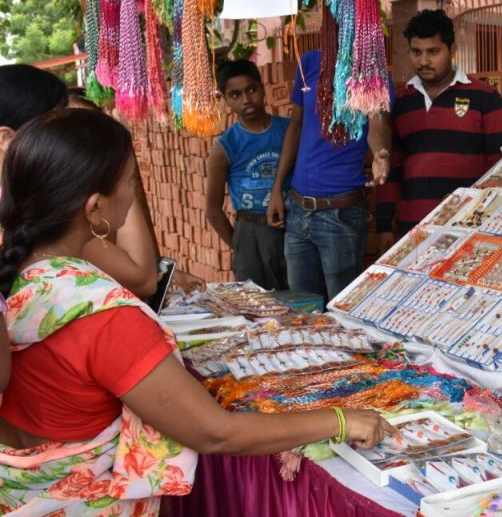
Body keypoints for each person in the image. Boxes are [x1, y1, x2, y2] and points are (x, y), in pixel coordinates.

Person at [0, 109, 392, 514]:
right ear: (96, 207)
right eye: (129, 181)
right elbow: (216, 433)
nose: (133, 194)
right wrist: (342, 420)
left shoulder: (25, 273)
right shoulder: (103, 316)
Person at [0, 65, 159, 300]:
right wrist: (112, 171)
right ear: (6, 138)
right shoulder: (40, 206)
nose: (69, 134)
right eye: (55, 125)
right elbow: (142, 277)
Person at [376, 9, 502, 248]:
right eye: (416, 52)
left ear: (452, 50)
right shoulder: (401, 101)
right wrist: (384, 225)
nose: (423, 61)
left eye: (433, 52)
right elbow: (393, 167)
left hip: (467, 227)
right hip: (413, 229)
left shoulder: (485, 98)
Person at [266, 51, 391, 302]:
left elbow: (378, 124)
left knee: (339, 311)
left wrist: (380, 153)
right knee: (302, 310)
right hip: (298, 211)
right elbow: (296, 126)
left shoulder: (370, 67)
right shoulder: (310, 62)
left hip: (339, 214)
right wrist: (277, 188)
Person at [205, 60, 290, 290]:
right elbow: (212, 210)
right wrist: (240, 246)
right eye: (235, 94)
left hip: (292, 227)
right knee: (257, 307)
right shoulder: (224, 146)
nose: (246, 100)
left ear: (262, 89)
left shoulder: (289, 130)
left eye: (251, 89)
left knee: (298, 300)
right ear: (226, 100)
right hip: (249, 230)